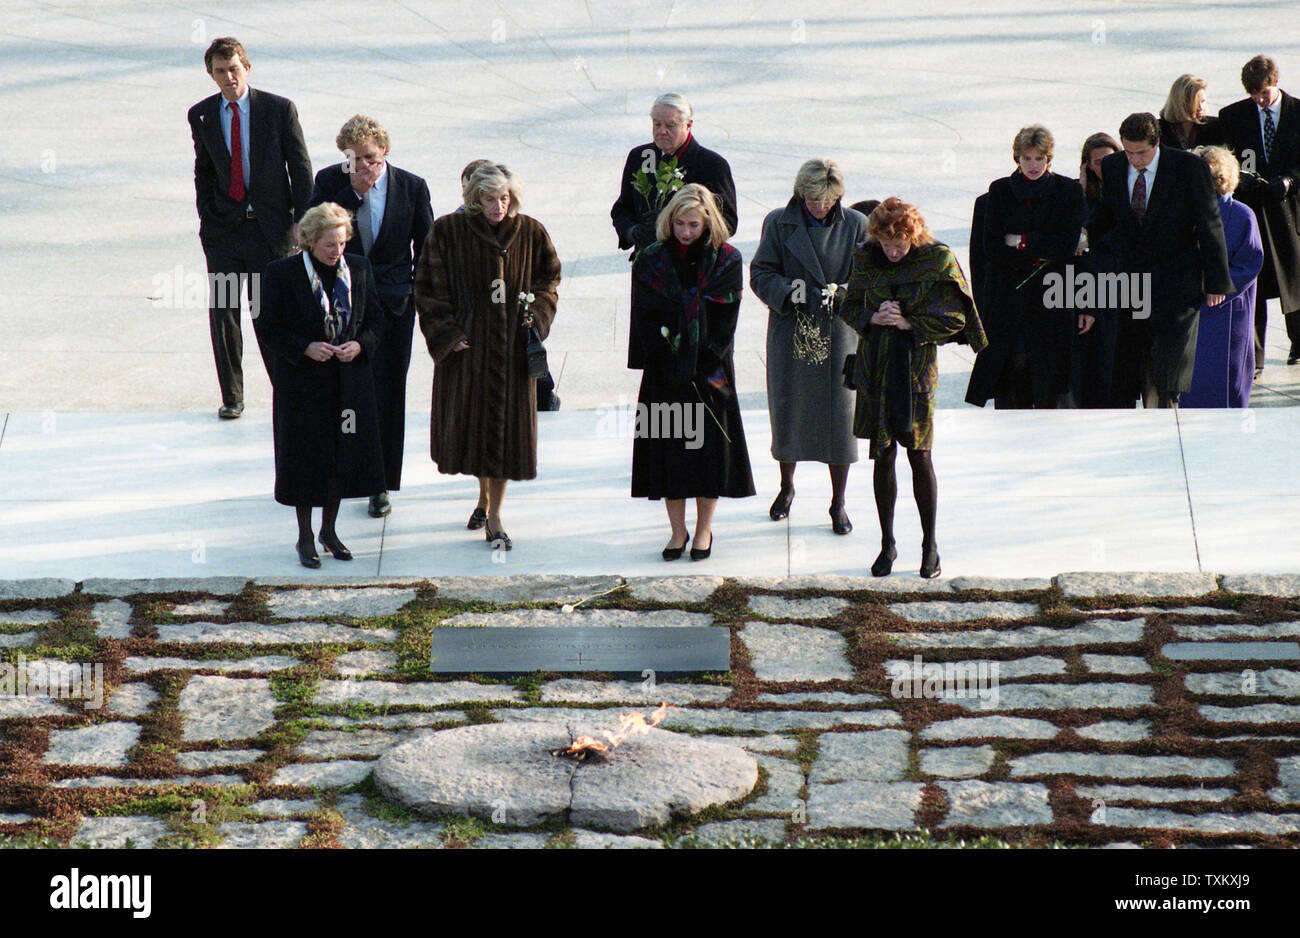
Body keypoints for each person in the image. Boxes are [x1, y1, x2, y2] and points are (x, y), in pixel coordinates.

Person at [413, 164, 561, 550]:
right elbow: (428, 288)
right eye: (490, 198)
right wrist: (448, 334)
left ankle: (495, 516)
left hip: (512, 352)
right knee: (476, 431)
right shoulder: (447, 231)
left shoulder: (530, 231)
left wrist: (536, 318)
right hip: (470, 352)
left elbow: (549, 278)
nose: (499, 206)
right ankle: (483, 497)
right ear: (474, 199)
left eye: (505, 198)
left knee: (507, 435)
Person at [840, 198, 986, 579]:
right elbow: (846, 303)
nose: (892, 252)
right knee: (882, 454)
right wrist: (872, 316)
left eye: (899, 245)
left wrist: (909, 322)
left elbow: (957, 317)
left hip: (917, 371)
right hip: (876, 366)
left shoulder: (936, 259)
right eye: (886, 245)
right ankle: (887, 543)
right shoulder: (865, 257)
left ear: (913, 235)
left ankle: (929, 546)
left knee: (920, 456)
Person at [309, 115, 433, 518]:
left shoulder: (411, 187)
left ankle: (380, 483)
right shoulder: (331, 183)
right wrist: (351, 194)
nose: (363, 167)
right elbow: (312, 233)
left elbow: (427, 248)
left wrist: (416, 294)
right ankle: (341, 474)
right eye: (354, 160)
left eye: (370, 158)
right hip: (344, 305)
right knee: (343, 393)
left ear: (384, 152)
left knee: (387, 394)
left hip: (394, 304)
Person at [253, 203, 386, 568]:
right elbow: (266, 326)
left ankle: (329, 530)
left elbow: (376, 319)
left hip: (348, 383)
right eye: (329, 245)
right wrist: (305, 347)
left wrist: (360, 345)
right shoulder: (282, 273)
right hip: (302, 386)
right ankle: (305, 536)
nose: (336, 251)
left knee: (340, 458)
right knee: (304, 461)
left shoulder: (357, 269)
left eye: (342, 243)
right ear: (310, 241)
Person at [187, 37, 312, 419]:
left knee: (268, 312)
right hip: (225, 233)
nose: (229, 77)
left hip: (269, 231)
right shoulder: (202, 115)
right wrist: (208, 218)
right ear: (211, 74)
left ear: (247, 68)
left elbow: (301, 169)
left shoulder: (278, 110)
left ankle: (288, 392)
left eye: (234, 68)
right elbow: (204, 170)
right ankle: (233, 396)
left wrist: (301, 224)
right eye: (220, 71)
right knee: (224, 311)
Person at [630, 184, 755, 560]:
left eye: (694, 225)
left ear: (707, 223)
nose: (686, 231)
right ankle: (676, 531)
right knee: (669, 451)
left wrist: (704, 357)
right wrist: (665, 354)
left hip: (710, 368)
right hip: (664, 368)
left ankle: (703, 530)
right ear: (670, 221)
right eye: (680, 223)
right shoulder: (650, 259)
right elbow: (643, 315)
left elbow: (726, 317)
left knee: (708, 452)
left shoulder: (727, 259)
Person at [749, 159, 867, 533]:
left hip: (838, 334)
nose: (821, 207)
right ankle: (786, 487)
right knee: (789, 411)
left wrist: (844, 293)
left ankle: (838, 502)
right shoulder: (777, 222)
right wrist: (789, 293)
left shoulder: (856, 225)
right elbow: (761, 272)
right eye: (814, 200)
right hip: (792, 331)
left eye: (828, 200)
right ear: (801, 193)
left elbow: (868, 276)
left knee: (840, 417)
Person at [1088, 112, 1233, 408]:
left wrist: (1216, 280)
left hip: (1176, 281)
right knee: (1131, 363)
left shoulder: (1187, 167)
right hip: (1131, 281)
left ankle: (1166, 417)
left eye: (1141, 152)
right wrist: (1083, 232)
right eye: (1129, 151)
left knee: (1168, 367)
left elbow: (1210, 223)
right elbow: (1108, 212)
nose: (1135, 159)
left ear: (1156, 144)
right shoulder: (1115, 166)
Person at [613, 93, 738, 370]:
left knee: (696, 358)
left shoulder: (711, 164)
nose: (661, 131)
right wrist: (633, 231)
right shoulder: (640, 157)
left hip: (694, 275)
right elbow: (621, 209)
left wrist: (682, 229)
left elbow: (728, 221)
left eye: (670, 125)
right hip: (653, 275)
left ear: (689, 124)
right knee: (657, 356)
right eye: (656, 124)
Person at [965, 125, 1087, 409]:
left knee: (1048, 376)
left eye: (1039, 159)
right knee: (1012, 370)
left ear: (1049, 159)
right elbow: (992, 248)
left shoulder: (1068, 191)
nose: (1033, 165)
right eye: (1027, 158)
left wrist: (1021, 241)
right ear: (1017, 158)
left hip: (1054, 296)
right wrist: (1041, 250)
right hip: (1009, 296)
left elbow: (1067, 246)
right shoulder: (999, 191)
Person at [1218, 55, 1300, 370]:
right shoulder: (1234, 116)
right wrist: (1243, 177)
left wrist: (1291, 178)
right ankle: (1254, 356)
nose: (1259, 100)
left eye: (1264, 94)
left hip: (1290, 212)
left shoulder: (1296, 112)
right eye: (1253, 95)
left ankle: (1298, 344)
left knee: (1294, 281)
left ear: (1275, 83)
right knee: (1255, 284)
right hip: (1254, 210)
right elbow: (1230, 158)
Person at [1181, 147, 1264, 407]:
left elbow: (1249, 264)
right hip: (1190, 308)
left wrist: (1216, 287)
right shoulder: (1184, 212)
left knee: (1225, 382)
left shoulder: (1241, 215)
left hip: (1226, 310)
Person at [1072, 132, 1123, 407]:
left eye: (1110, 159)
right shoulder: (1081, 196)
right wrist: (1079, 193)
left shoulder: (1129, 189)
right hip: (1094, 285)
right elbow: (1080, 247)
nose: (1105, 166)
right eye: (1098, 162)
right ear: (1087, 165)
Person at [1159, 74, 1222, 150]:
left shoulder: (1214, 126)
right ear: (1180, 103)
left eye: (1203, 101)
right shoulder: (1158, 130)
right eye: (1195, 103)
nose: (1201, 108)